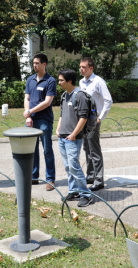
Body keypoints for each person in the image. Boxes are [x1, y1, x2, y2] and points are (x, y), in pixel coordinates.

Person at [56, 69, 94, 207]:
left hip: (73, 138)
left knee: (74, 166)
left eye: (61, 80)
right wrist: (58, 129)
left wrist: (73, 134)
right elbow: (62, 114)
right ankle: (74, 191)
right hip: (63, 137)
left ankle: (86, 195)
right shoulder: (64, 95)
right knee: (68, 167)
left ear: (69, 81)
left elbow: (83, 118)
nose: (59, 82)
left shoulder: (80, 96)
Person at [24, 53, 57, 191]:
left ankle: (50, 179)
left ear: (44, 64)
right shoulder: (30, 80)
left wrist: (30, 111)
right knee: (33, 149)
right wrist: (28, 116)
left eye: (37, 63)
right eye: (33, 63)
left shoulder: (50, 81)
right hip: (32, 119)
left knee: (47, 150)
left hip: (44, 120)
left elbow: (47, 102)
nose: (34, 65)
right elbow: (27, 98)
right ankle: (34, 176)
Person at [79, 57, 113, 191]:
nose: (81, 69)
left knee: (94, 149)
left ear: (91, 68)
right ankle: (91, 175)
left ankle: (99, 180)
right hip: (83, 119)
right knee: (86, 148)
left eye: (84, 67)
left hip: (94, 118)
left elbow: (108, 100)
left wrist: (101, 117)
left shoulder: (98, 81)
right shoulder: (82, 82)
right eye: (80, 67)